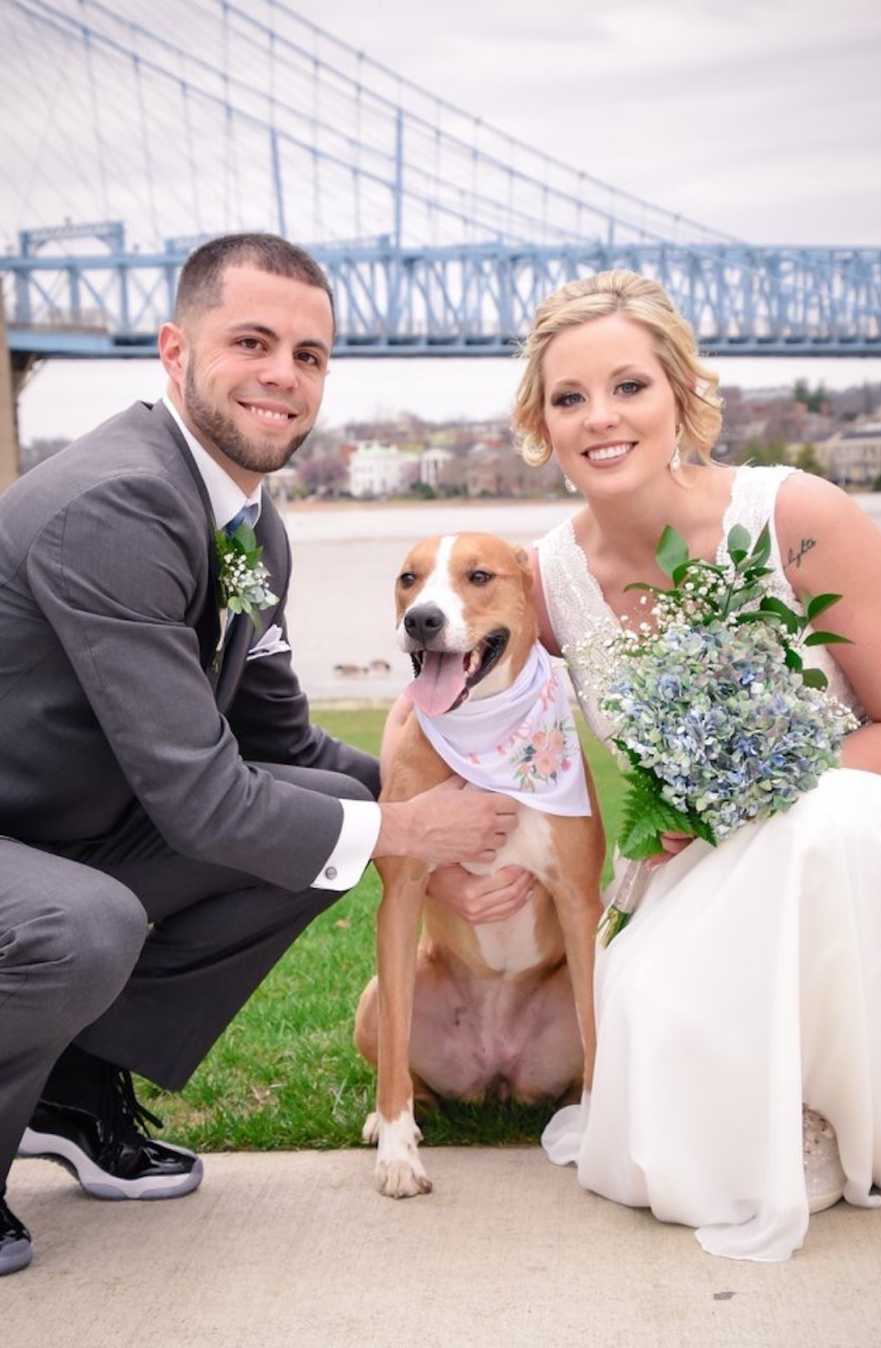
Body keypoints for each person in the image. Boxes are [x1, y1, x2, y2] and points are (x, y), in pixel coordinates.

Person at [0, 233, 520, 1277]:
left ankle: (70, 1084)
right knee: (82, 924)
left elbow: (279, 740)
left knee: (326, 800)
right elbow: (200, 796)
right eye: (252, 341)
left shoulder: (246, 526)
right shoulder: (114, 504)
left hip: (61, 822)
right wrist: (403, 833)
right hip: (29, 852)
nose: (285, 374)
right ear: (174, 351)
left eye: (311, 354)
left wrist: (445, 829)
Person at [513, 268, 881, 1261]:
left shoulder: (794, 517)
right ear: (542, 423)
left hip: (853, 833)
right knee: (656, 1095)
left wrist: (756, 795)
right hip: (679, 870)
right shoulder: (547, 586)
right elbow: (476, 722)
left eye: (629, 385)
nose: (601, 416)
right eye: (569, 397)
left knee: (821, 830)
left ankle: (850, 1112)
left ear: (682, 395)